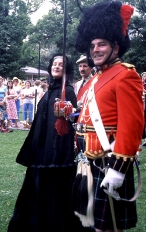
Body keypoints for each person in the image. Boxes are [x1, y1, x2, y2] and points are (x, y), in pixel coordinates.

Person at [73, 0, 144, 231]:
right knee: (89, 224)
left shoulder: (126, 75)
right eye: (92, 45)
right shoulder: (94, 78)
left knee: (107, 228)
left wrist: (118, 169)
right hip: (88, 161)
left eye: (101, 44)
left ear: (116, 46)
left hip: (108, 163)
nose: (95, 49)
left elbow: (131, 126)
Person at [8, 54, 92, 232]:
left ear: (66, 69)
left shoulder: (67, 90)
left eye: (61, 64)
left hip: (56, 154)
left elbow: (69, 123)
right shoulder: (49, 89)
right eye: (54, 63)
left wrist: (68, 114)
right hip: (41, 150)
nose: (56, 66)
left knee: (56, 193)